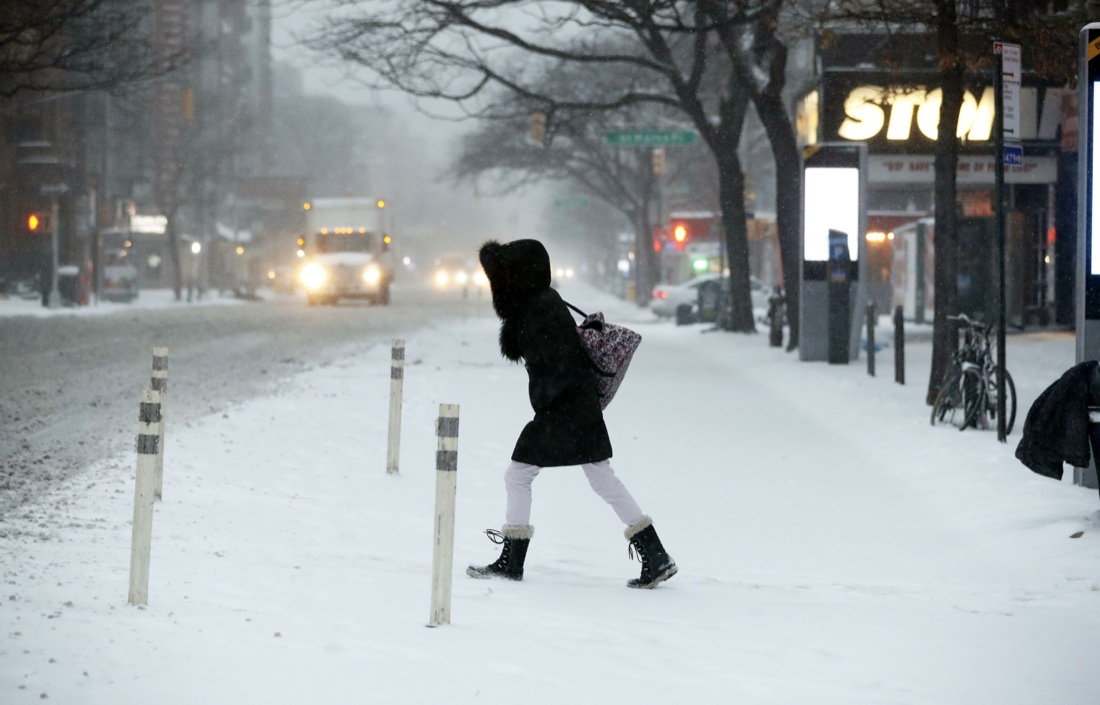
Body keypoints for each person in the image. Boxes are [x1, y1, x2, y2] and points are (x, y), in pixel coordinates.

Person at [467, 238, 676, 589]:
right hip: (576, 408)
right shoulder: (543, 303)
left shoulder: (538, 310)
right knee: (601, 478)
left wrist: (548, 407)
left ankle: (512, 562)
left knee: (518, 475)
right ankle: (655, 555)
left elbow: (558, 366)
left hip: (562, 411)